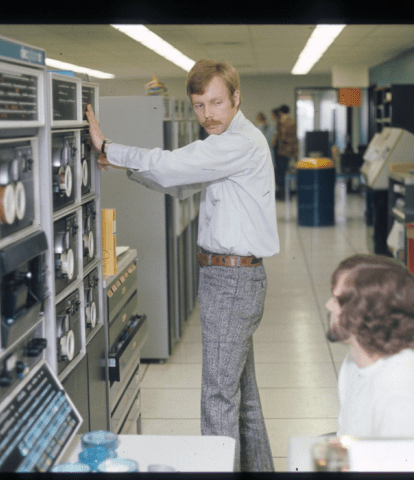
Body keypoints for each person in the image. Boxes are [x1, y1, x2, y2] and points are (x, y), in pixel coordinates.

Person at [85, 59, 278, 472]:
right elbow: (182, 182)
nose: (208, 114)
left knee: (217, 398)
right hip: (231, 277)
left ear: (236, 99)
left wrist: (108, 147)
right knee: (242, 398)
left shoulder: (237, 142)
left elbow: (173, 166)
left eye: (216, 102)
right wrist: (121, 164)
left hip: (232, 280)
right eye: (199, 105)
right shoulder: (229, 141)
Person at [326, 254, 414, 438]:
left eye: (336, 301)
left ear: (363, 313)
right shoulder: (355, 360)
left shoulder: (399, 399)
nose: (328, 306)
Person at [271, 104, 298, 199]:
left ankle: (282, 195)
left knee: (281, 172)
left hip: (282, 150)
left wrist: (275, 141)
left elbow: (282, 137)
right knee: (284, 171)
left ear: (281, 112)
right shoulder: (292, 121)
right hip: (288, 151)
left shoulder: (282, 122)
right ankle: (285, 193)